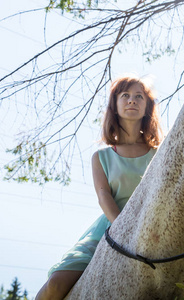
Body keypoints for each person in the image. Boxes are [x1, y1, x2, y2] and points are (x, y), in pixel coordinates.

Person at [36, 75, 163, 300]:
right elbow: (104, 196)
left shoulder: (160, 154)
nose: (131, 100)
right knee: (55, 285)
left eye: (138, 97)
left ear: (147, 108)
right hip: (111, 226)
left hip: (155, 227)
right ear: (114, 106)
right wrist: (124, 227)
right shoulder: (101, 157)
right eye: (125, 96)